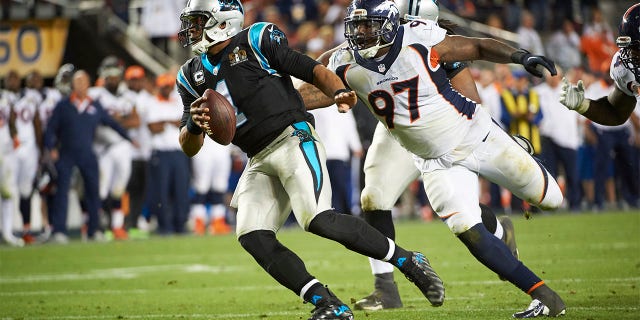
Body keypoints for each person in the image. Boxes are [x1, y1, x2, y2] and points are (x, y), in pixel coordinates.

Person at [176, 1, 445, 319]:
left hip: (293, 138)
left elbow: (311, 69)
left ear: (222, 20)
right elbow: (189, 146)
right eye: (190, 22)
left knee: (317, 219)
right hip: (257, 157)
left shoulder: (255, 39)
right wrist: (193, 123)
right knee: (252, 235)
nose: (191, 28)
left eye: (197, 20)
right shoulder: (190, 75)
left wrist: (339, 91)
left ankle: (407, 260)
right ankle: (329, 303)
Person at [313, 0, 567, 317]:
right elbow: (316, 77)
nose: (361, 34)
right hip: (418, 147)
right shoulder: (349, 60)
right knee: (434, 215)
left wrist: (520, 57)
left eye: (370, 26)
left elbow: (473, 74)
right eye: (358, 27)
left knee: (551, 200)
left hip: (470, 134)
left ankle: (500, 233)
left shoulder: (424, 40)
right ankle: (544, 296)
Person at [44, 70, 131, 243]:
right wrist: (50, 147)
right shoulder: (63, 105)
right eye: (77, 81)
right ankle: (59, 231)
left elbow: (111, 123)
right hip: (66, 152)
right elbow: (51, 128)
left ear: (89, 84)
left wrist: (129, 138)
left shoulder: (94, 105)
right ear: (73, 85)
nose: (80, 85)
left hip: (87, 153)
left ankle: (94, 230)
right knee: (62, 192)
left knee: (93, 192)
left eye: (83, 81)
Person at [560, 3, 640, 127]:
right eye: (629, 49)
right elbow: (616, 113)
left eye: (637, 48)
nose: (632, 56)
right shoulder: (624, 67)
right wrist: (583, 105)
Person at [145, 73, 191, 235]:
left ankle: (181, 224)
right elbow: (153, 127)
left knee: (181, 189)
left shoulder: (178, 100)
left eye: (169, 85)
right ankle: (164, 225)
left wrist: (165, 121)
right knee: (161, 191)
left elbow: (184, 122)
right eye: (164, 85)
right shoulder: (152, 102)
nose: (168, 88)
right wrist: (169, 122)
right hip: (161, 153)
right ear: (159, 86)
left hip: (179, 151)